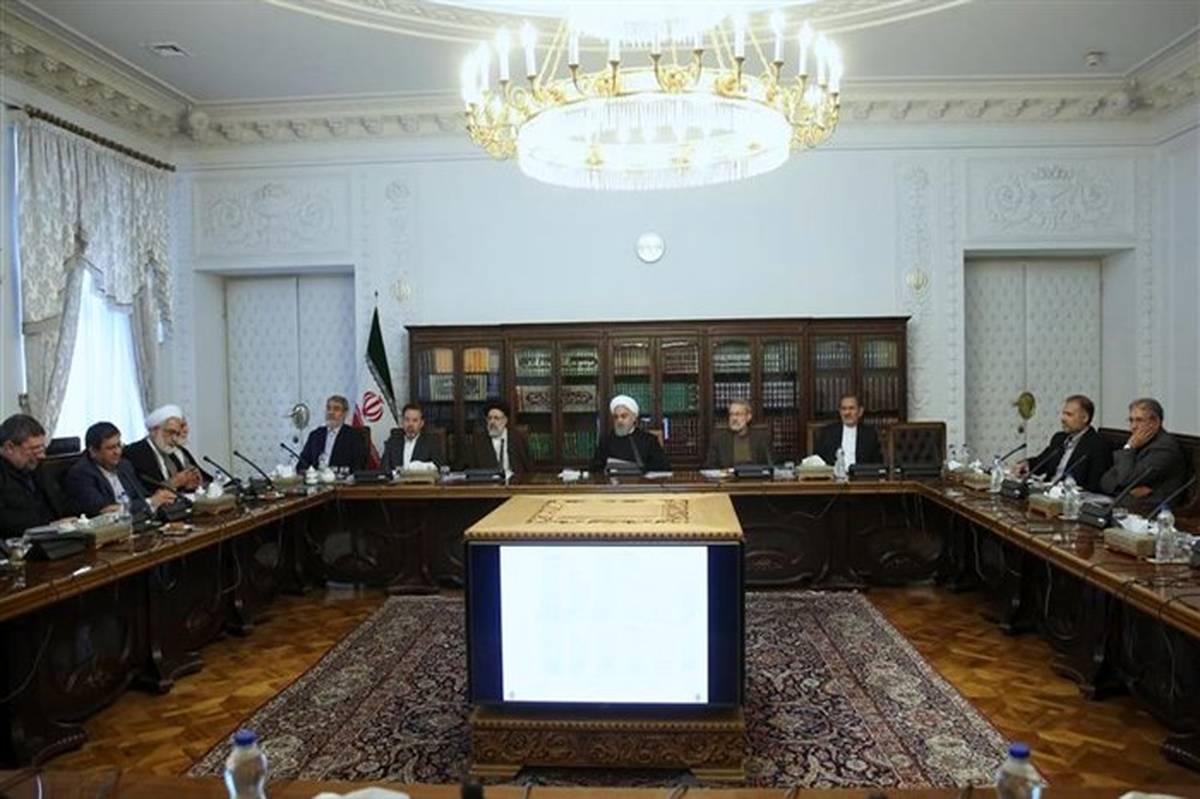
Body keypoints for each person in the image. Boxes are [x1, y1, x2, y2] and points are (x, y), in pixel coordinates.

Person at [65, 422, 174, 517]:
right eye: (110, 448)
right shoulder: (81, 474)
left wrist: (160, 499)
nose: (117, 452)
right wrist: (151, 502)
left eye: (119, 445)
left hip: (137, 522)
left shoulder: (124, 465)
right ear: (93, 451)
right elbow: (104, 511)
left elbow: (142, 496)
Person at [1099, 398, 1192, 509]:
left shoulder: (1165, 448)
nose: (1133, 426)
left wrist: (1129, 447)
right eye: (1131, 420)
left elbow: (1126, 479)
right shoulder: (1139, 443)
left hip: (1155, 510)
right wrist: (1127, 489)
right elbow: (1105, 480)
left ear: (1156, 422)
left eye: (1139, 420)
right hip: (1131, 504)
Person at [1017, 394, 1111, 492]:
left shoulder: (1097, 444)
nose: (1063, 419)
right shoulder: (1059, 438)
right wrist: (1027, 465)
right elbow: (1042, 462)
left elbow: (1096, 485)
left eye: (1069, 415)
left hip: (1072, 497)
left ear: (1085, 418)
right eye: (1063, 414)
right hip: (1047, 493)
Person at [124, 404, 204, 494]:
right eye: (170, 432)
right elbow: (142, 493)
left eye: (177, 434)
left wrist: (191, 484)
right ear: (154, 431)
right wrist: (173, 483)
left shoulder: (170, 451)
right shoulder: (135, 453)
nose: (174, 439)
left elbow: (181, 489)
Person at [0, 414, 55, 537]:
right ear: (9, 447)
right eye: (35, 449)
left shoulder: (34, 468)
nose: (42, 456)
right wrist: (50, 525)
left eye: (42, 448)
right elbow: (5, 522)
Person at [590, 395, 671, 473]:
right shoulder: (606, 441)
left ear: (634, 418)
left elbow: (663, 467)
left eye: (623, 416)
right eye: (616, 417)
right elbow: (595, 469)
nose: (619, 420)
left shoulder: (649, 440)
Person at [297, 395, 368, 471]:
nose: (331, 412)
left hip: (340, 478)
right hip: (316, 478)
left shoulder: (354, 437)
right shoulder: (315, 435)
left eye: (336, 409)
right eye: (328, 408)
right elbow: (301, 465)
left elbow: (358, 467)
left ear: (345, 413)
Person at [815, 393, 882, 467]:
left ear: (860, 411)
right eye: (844, 409)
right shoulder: (828, 433)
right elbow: (818, 461)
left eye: (851, 408)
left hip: (860, 474)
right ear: (840, 412)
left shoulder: (870, 435)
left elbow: (877, 464)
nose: (847, 413)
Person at [465, 401, 531, 477]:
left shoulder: (517, 439)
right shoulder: (478, 442)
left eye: (496, 418)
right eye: (489, 418)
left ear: (505, 420)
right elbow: (472, 470)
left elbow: (528, 466)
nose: (492, 422)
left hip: (515, 482)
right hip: (489, 482)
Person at [704, 399, 773, 468]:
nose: (734, 418)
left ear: (748, 417)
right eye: (731, 414)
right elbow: (710, 467)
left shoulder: (761, 438)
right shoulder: (718, 439)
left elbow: (771, 465)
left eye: (738, 414)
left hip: (753, 475)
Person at [381, 403, 444, 470]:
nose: (410, 424)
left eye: (415, 420)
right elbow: (384, 467)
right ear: (402, 422)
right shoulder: (393, 441)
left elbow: (440, 467)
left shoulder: (431, 443)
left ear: (421, 423)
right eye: (407, 420)